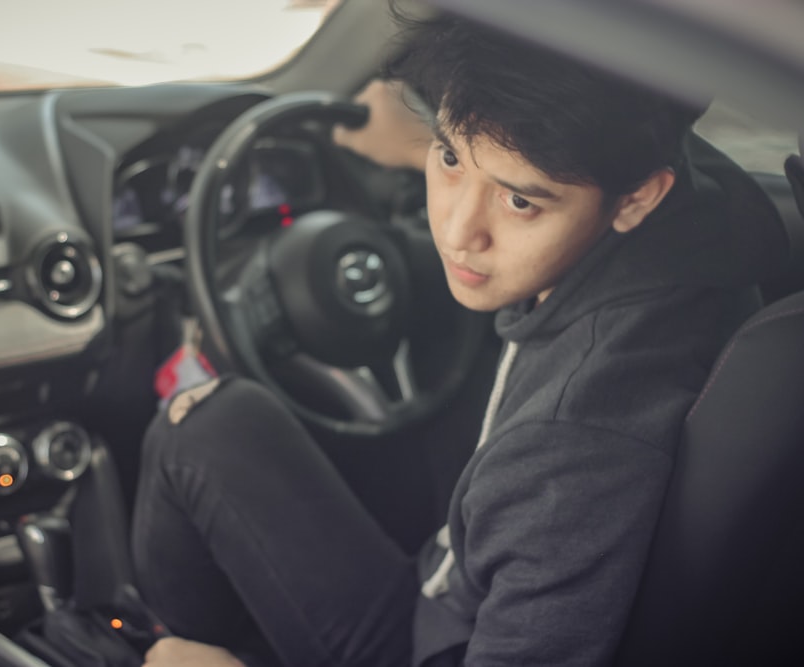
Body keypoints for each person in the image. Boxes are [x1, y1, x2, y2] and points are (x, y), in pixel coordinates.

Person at [132, 9, 788, 667]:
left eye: (520, 201)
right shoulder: (696, 216)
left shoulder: (572, 450)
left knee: (196, 427)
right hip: (454, 568)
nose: (456, 230)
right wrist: (438, 146)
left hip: (429, 643)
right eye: (447, 157)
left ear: (637, 198)